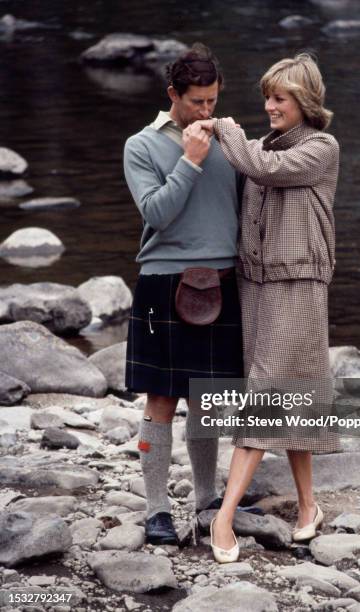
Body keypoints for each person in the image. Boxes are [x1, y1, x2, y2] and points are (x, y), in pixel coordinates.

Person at [194, 53, 340, 562]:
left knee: (266, 393)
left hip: (298, 285)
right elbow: (242, 171)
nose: (269, 106)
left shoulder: (320, 148)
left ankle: (225, 519)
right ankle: (307, 508)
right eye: (267, 97)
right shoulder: (258, 148)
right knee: (291, 391)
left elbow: (263, 168)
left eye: (279, 98)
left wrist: (227, 129)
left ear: (304, 101)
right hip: (256, 286)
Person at [123, 43, 260, 546]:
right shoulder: (141, 145)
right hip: (164, 280)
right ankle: (157, 509)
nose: (207, 111)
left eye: (213, 100)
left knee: (209, 401)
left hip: (222, 279)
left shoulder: (230, 141)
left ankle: (205, 501)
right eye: (197, 101)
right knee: (161, 397)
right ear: (173, 95)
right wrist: (191, 160)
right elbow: (156, 214)